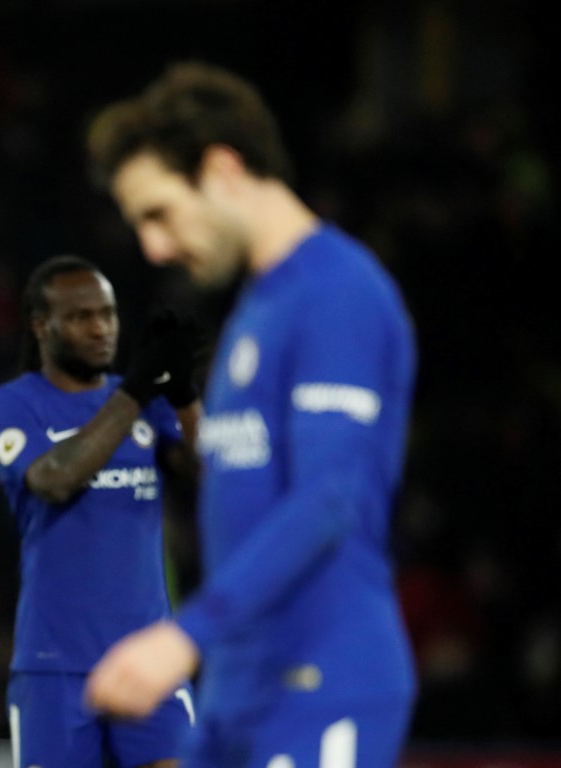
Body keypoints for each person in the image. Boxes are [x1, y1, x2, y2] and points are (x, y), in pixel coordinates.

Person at [83, 62, 418, 767]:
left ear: (223, 168)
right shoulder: (255, 314)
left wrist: (183, 636)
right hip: (240, 688)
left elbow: (328, 499)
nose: (153, 247)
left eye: (158, 212)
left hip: (320, 682)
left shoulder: (337, 293)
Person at [0, 254, 203, 768]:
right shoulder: (11, 404)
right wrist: (134, 392)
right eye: (81, 317)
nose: (101, 328)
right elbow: (54, 480)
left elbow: (207, 474)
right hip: (54, 664)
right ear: (41, 326)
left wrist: (186, 396)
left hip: (149, 658)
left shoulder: (146, 403)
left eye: (108, 314)